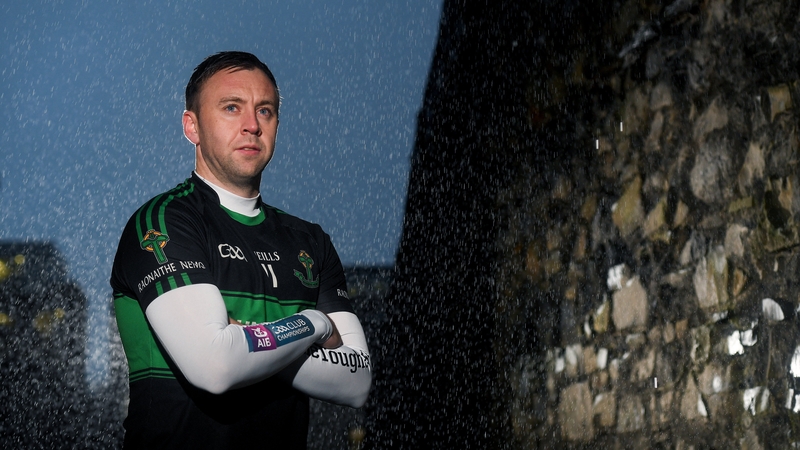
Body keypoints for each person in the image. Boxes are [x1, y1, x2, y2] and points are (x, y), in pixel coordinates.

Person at [110, 51, 371, 449]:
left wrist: (248, 342)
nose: (252, 125)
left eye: (265, 111)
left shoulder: (310, 241)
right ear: (191, 126)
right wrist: (313, 324)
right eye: (232, 107)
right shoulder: (163, 221)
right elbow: (215, 368)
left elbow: (356, 380)